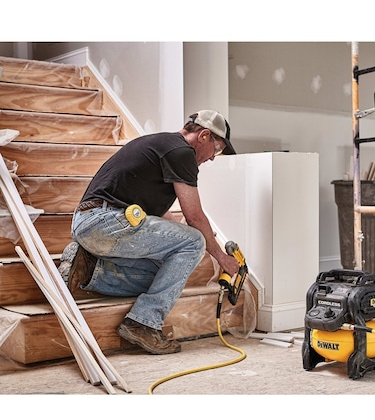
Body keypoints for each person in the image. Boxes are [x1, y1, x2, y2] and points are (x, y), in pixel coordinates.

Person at [59, 110, 240, 355]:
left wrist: (192, 235)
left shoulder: (163, 147)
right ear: (204, 136)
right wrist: (221, 257)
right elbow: (194, 216)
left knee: (165, 274)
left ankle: (90, 269)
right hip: (104, 220)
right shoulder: (181, 152)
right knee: (194, 241)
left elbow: (166, 219)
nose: (212, 159)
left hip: (95, 225)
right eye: (216, 149)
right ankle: (143, 322)